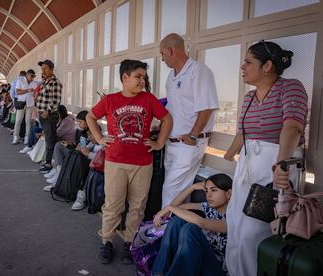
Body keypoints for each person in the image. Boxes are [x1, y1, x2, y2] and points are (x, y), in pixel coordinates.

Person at [223, 41, 308, 276]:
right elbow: (242, 134)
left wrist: (280, 165)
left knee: (254, 232)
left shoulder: (291, 87)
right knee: (236, 225)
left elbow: (292, 127)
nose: (242, 67)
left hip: (274, 166)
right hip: (248, 165)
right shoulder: (249, 98)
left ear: (267, 66)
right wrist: (229, 156)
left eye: (248, 62)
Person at [86, 59, 173, 264]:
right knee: (113, 205)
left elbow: (167, 119)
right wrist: (99, 138)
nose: (142, 80)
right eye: (138, 76)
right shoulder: (110, 100)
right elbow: (91, 117)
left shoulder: (149, 99)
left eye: (144, 77)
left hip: (143, 164)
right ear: (125, 77)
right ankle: (106, 241)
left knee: (137, 206)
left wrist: (159, 143)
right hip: (115, 162)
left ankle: (129, 242)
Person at [159, 33, 219, 208]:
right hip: (172, 144)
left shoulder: (199, 71)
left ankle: (162, 232)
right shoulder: (171, 77)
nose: (162, 59)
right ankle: (175, 232)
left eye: (162, 54)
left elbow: (207, 107)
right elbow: (174, 107)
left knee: (170, 192)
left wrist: (193, 136)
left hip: (188, 144)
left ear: (170, 50)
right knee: (179, 194)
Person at [152, 174, 232, 276]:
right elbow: (178, 207)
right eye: (206, 190)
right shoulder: (209, 207)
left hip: (215, 268)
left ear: (228, 194)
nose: (208, 195)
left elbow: (202, 223)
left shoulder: (232, 218)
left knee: (190, 229)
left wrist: (169, 208)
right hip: (198, 259)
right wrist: (192, 187)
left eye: (214, 190)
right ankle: (158, 273)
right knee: (177, 221)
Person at [43, 110, 88, 192]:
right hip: (78, 153)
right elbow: (80, 146)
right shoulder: (83, 132)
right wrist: (71, 145)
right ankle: (58, 172)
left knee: (57, 145)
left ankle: (57, 179)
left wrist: (74, 147)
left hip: (82, 158)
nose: (79, 124)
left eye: (80, 122)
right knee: (58, 145)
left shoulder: (92, 133)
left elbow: (85, 150)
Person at [37, 60, 63, 174]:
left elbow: (56, 100)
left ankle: (50, 164)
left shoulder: (55, 82)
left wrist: (47, 110)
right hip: (42, 114)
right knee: (49, 138)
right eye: (42, 68)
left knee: (50, 139)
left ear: (52, 69)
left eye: (45, 68)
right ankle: (51, 161)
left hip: (49, 115)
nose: (43, 70)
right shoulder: (44, 82)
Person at [12, 69, 37, 145]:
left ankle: (27, 137)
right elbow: (18, 92)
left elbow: (34, 94)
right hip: (21, 103)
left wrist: (34, 94)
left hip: (30, 104)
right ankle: (16, 136)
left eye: (34, 76)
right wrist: (28, 90)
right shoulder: (20, 81)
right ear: (27, 75)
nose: (32, 78)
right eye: (31, 76)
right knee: (18, 120)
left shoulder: (34, 83)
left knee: (28, 121)